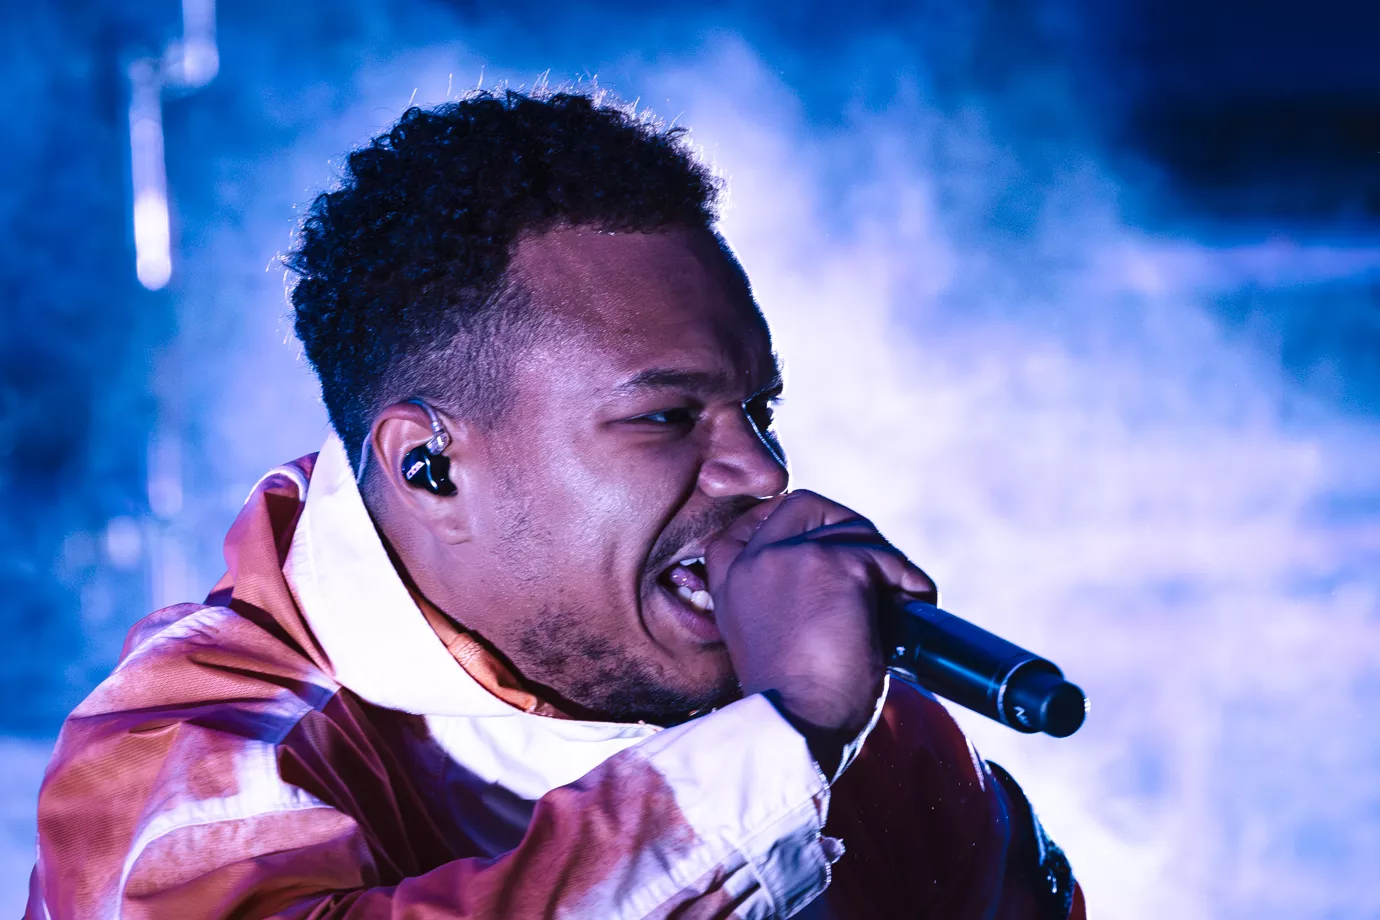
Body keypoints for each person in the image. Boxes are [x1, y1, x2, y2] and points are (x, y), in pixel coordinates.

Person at [26, 89, 1083, 919]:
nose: (760, 472)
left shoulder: (874, 741)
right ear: (430, 467)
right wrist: (785, 739)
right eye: (667, 416)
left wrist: (808, 738)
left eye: (759, 410)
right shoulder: (189, 751)